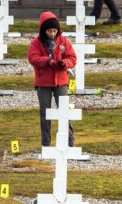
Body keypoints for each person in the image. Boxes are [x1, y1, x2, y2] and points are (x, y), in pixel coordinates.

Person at [27, 11, 77, 146]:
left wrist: (64, 63)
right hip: (44, 83)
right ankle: (46, 143)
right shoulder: (36, 43)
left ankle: (70, 142)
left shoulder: (64, 41)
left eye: (55, 31)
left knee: (65, 112)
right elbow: (33, 58)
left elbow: (72, 58)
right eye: (49, 31)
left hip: (61, 82)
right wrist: (47, 61)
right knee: (45, 113)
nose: (52, 34)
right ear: (44, 30)